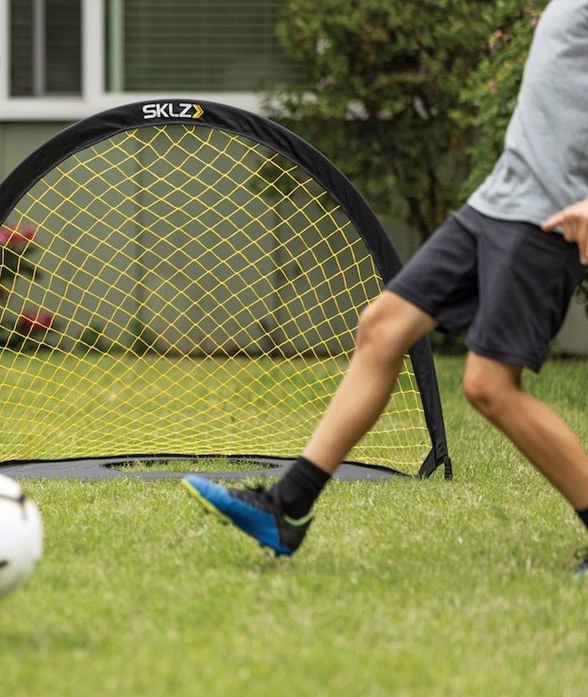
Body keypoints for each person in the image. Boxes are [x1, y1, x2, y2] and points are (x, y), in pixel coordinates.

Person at [183, 0, 588, 569]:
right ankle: (286, 506)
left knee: (490, 386)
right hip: (500, 199)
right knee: (382, 327)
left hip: (546, 216)